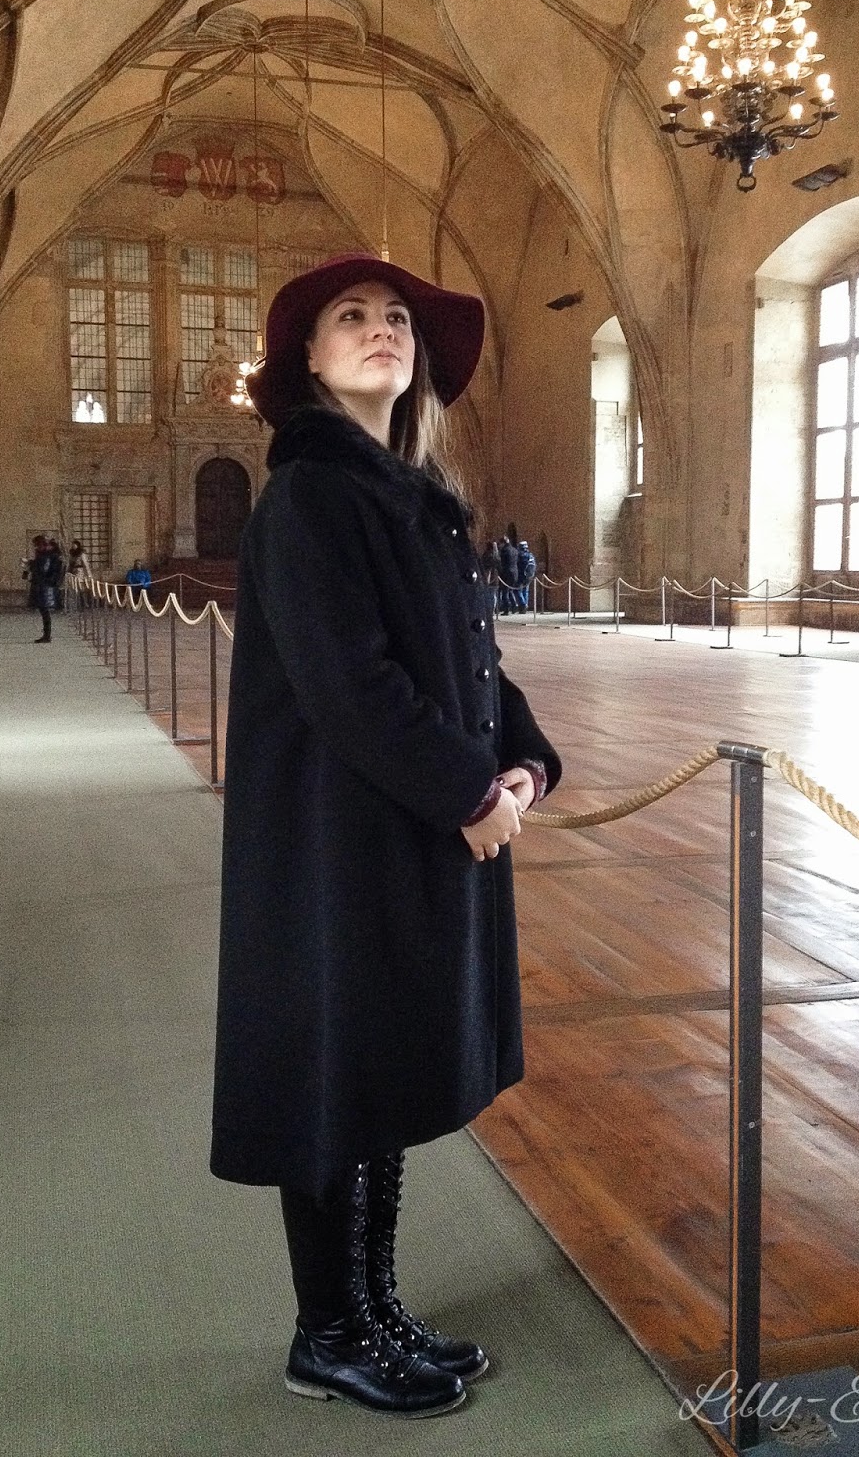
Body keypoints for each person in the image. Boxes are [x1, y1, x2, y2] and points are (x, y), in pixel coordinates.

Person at [211, 252, 562, 1420]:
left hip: (395, 829)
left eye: (398, 317)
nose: (382, 330)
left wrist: (522, 759)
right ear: (309, 361)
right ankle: (327, 1332)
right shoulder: (313, 495)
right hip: (334, 845)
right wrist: (469, 793)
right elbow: (350, 684)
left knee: (379, 1077)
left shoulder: (409, 496)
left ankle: (376, 1308)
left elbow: (472, 662)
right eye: (351, 317)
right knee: (336, 1080)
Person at [23, 534, 64, 642]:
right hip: (44, 585)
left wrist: (31, 565)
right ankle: (46, 634)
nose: (36, 547)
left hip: (45, 586)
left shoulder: (48, 556)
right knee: (44, 611)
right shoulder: (48, 555)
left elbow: (43, 569)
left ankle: (47, 635)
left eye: (37, 545)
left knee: (45, 611)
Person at [515, 538, 536, 612]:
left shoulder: (520, 555)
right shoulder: (531, 555)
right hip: (529, 575)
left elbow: (519, 566)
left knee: (517, 590)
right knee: (525, 590)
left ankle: (523, 604)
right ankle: (525, 604)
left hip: (521, 575)